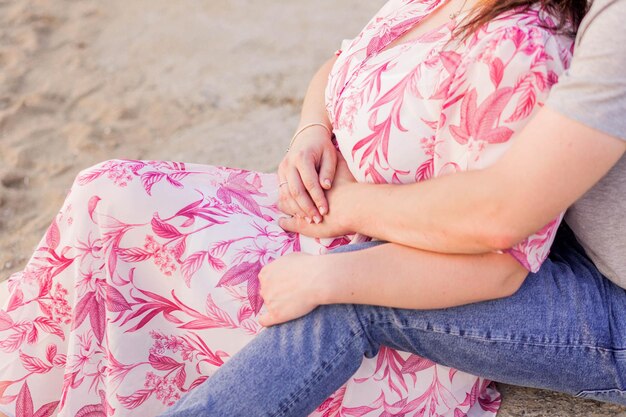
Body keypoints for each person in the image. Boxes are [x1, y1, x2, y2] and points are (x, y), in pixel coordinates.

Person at [0, 0, 589, 416]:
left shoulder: (522, 50)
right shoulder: (444, 2)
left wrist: (323, 276)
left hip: (373, 294)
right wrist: (311, 130)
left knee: (117, 235)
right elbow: (339, 66)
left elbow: (501, 261)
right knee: (105, 195)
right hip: (307, 225)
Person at [156, 0, 626, 416]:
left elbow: (501, 218)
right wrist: (312, 130)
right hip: (575, 244)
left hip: (613, 299)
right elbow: (349, 60)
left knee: (350, 294)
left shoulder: (588, 29)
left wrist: (351, 208)